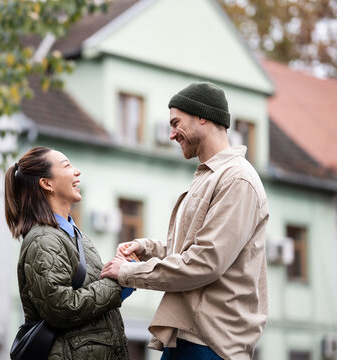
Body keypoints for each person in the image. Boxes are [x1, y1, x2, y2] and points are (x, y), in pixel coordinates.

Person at [101, 82, 269, 360]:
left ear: (202, 116)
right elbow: (191, 249)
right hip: (189, 336)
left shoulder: (237, 180)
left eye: (176, 123)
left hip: (211, 344)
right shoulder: (210, 176)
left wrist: (129, 273)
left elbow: (205, 262)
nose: (170, 134)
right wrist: (147, 248)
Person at [5, 146, 130, 360]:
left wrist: (125, 273)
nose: (77, 171)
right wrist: (116, 284)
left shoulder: (75, 235)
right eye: (67, 166)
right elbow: (61, 307)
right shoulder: (43, 239)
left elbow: (98, 296)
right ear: (47, 183)